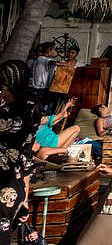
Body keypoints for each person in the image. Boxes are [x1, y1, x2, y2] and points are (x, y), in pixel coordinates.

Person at [0, 60, 43, 245]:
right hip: (14, 189)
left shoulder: (4, 115)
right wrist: (24, 198)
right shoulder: (32, 110)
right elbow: (27, 159)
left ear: (7, 87)